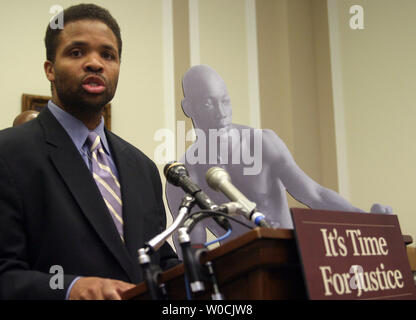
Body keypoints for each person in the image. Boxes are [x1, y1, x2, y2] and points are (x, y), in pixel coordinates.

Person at [0, 4, 178, 300]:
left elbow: (156, 259)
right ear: (49, 69)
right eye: (77, 52)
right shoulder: (9, 154)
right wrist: (70, 288)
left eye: (108, 55)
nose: (95, 63)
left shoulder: (143, 168)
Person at [166, 64, 392, 250]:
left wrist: (369, 221)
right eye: (208, 103)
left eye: (225, 101)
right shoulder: (184, 176)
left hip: (292, 261)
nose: (221, 112)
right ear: (189, 107)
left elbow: (315, 195)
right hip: (242, 278)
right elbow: (192, 249)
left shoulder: (263, 143)